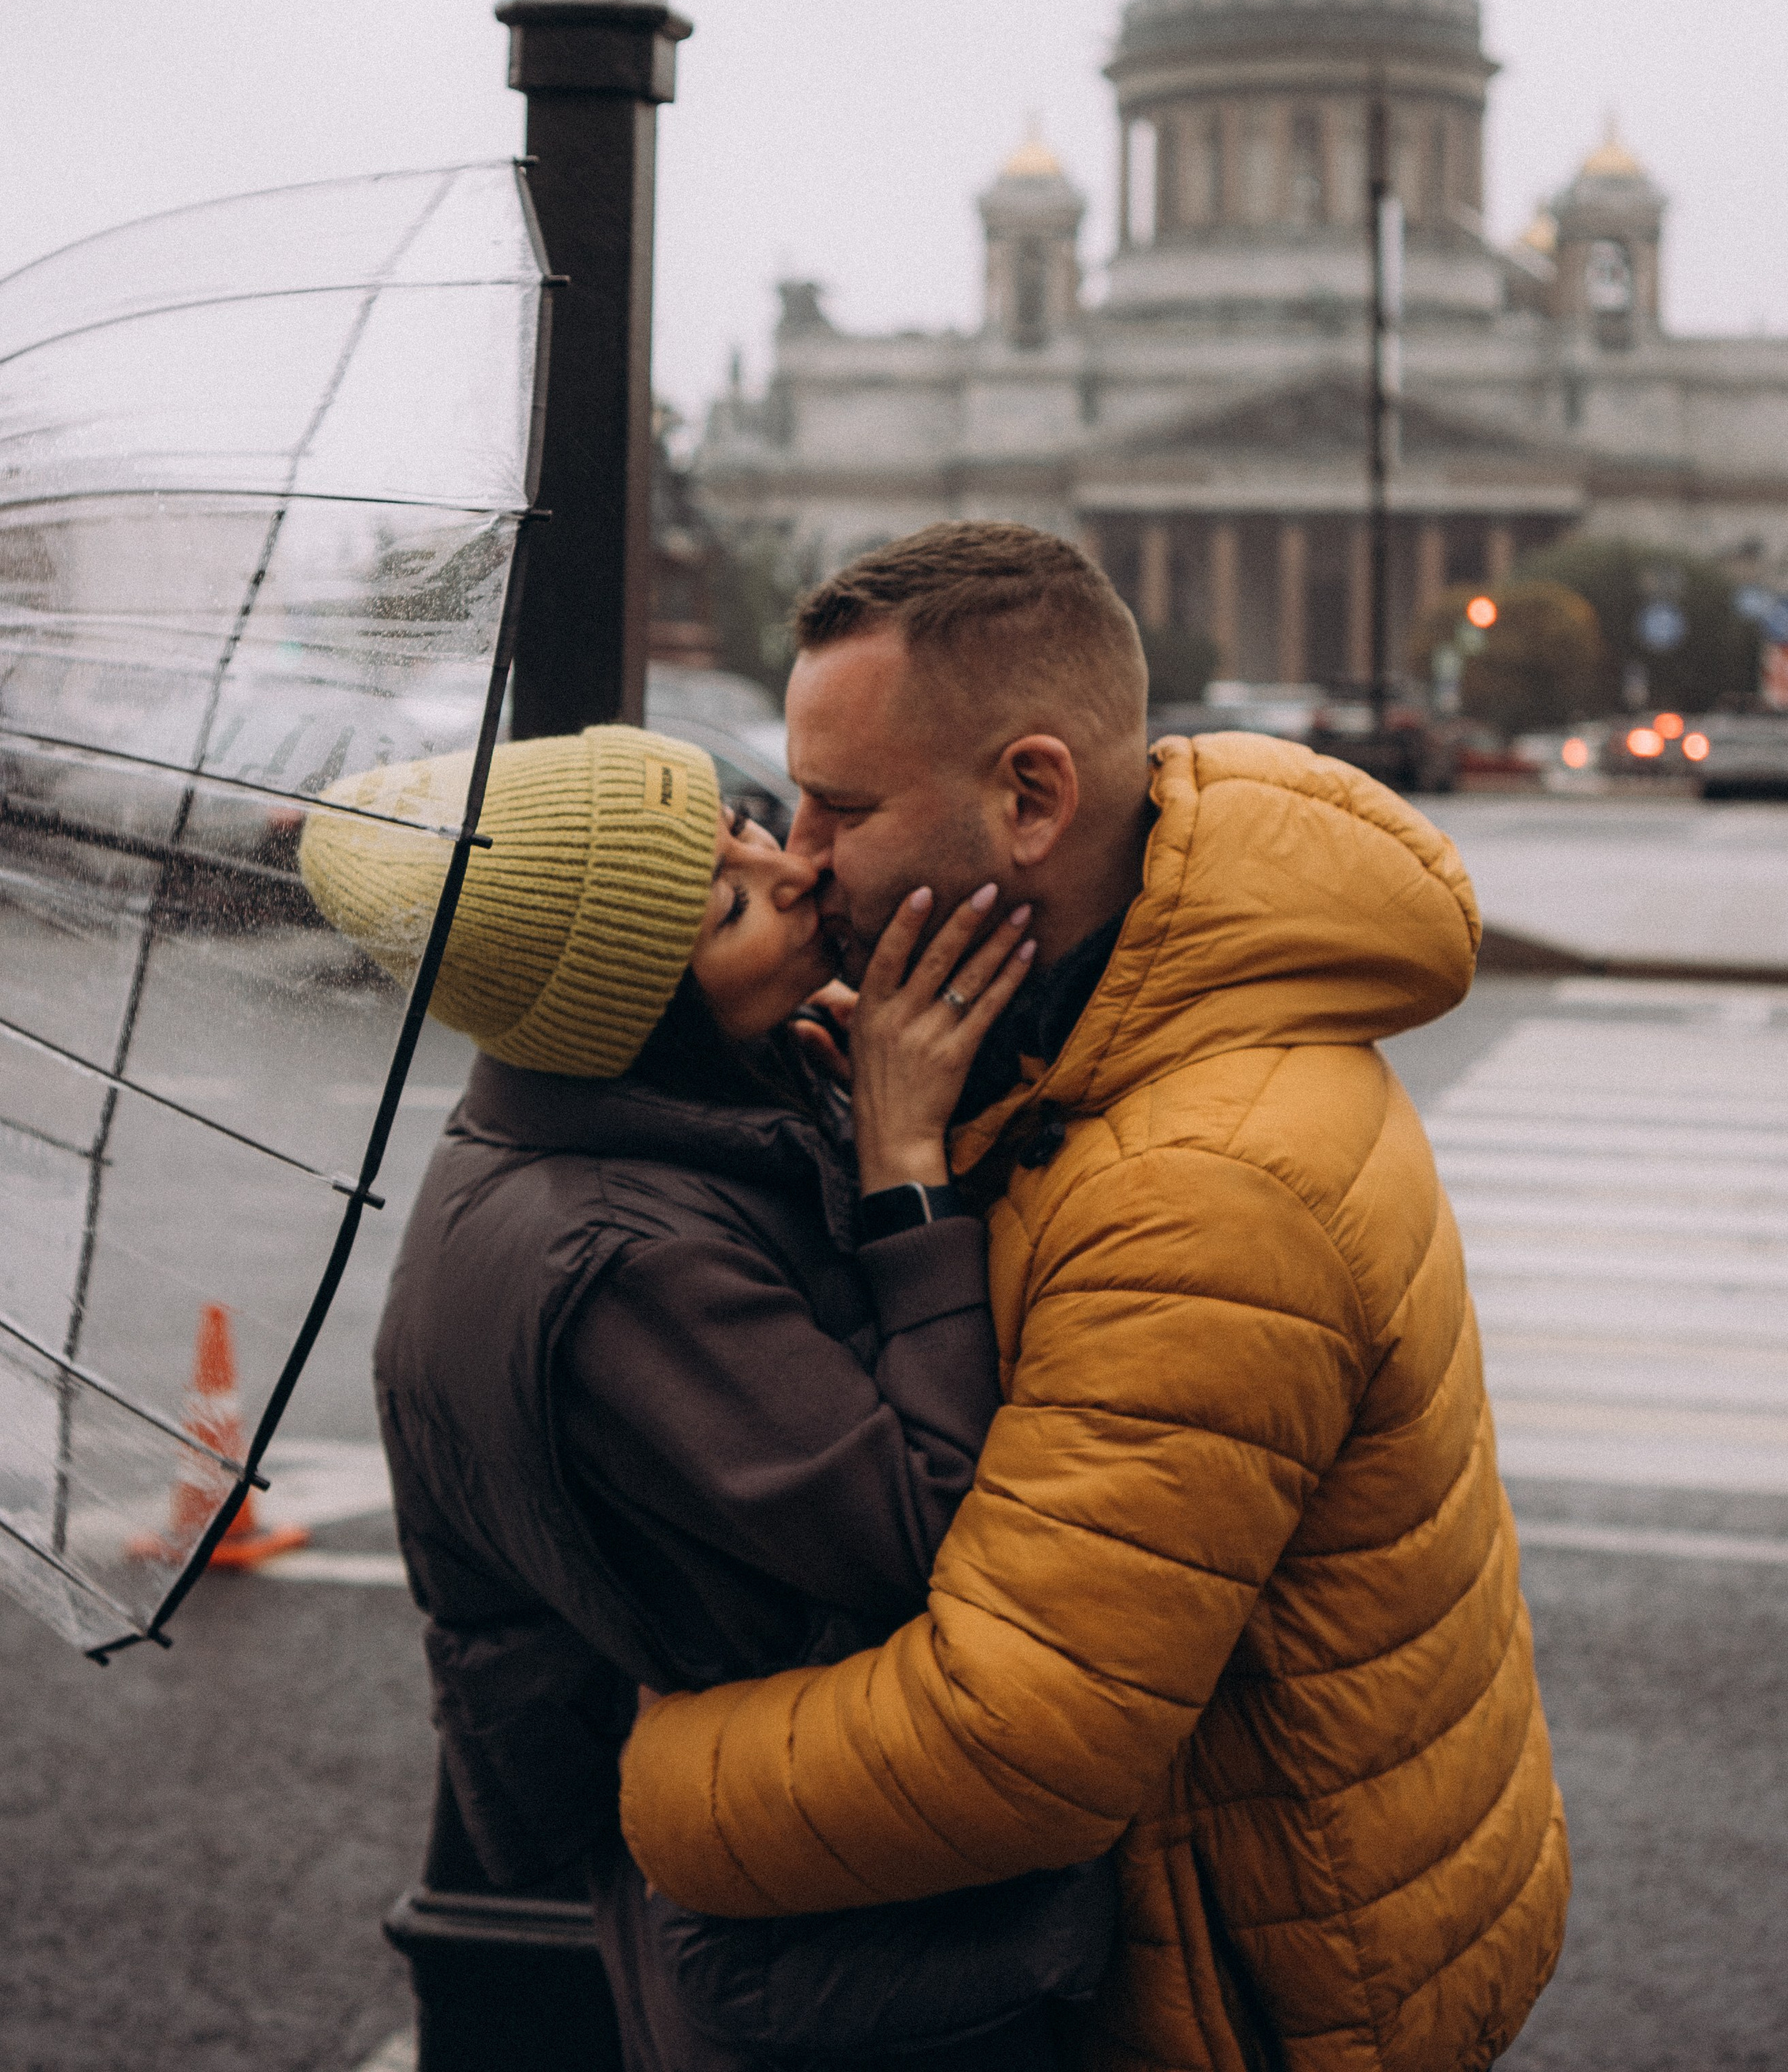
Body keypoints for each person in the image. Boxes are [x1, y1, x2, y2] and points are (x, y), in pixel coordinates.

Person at [617, 522, 1571, 2072]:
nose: (795, 854)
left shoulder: (1199, 1185)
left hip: (1247, 1980)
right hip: (1262, 1898)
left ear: (1031, 798)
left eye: (841, 808)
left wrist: (647, 1779)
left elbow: (1014, 1744)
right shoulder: (1084, 1030)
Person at [299, 721, 1112, 2072]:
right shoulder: (624, 1265)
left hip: (795, 1863)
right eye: (729, 907)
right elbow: (922, 1533)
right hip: (836, 1948)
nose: (789, 871)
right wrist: (905, 1163)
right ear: (634, 1021)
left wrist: (832, 1102)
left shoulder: (598, 1121)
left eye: (736, 828)